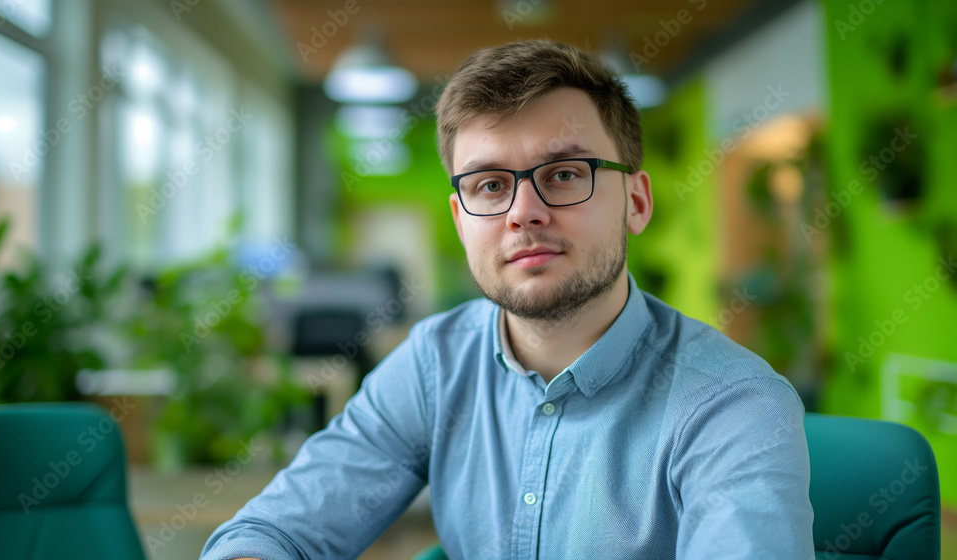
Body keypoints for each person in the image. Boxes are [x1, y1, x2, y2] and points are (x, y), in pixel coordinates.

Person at [200, 39, 814, 560]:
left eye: (566, 174)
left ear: (636, 202)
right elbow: (276, 529)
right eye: (490, 185)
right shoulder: (435, 362)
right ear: (462, 218)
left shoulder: (733, 405)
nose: (524, 213)